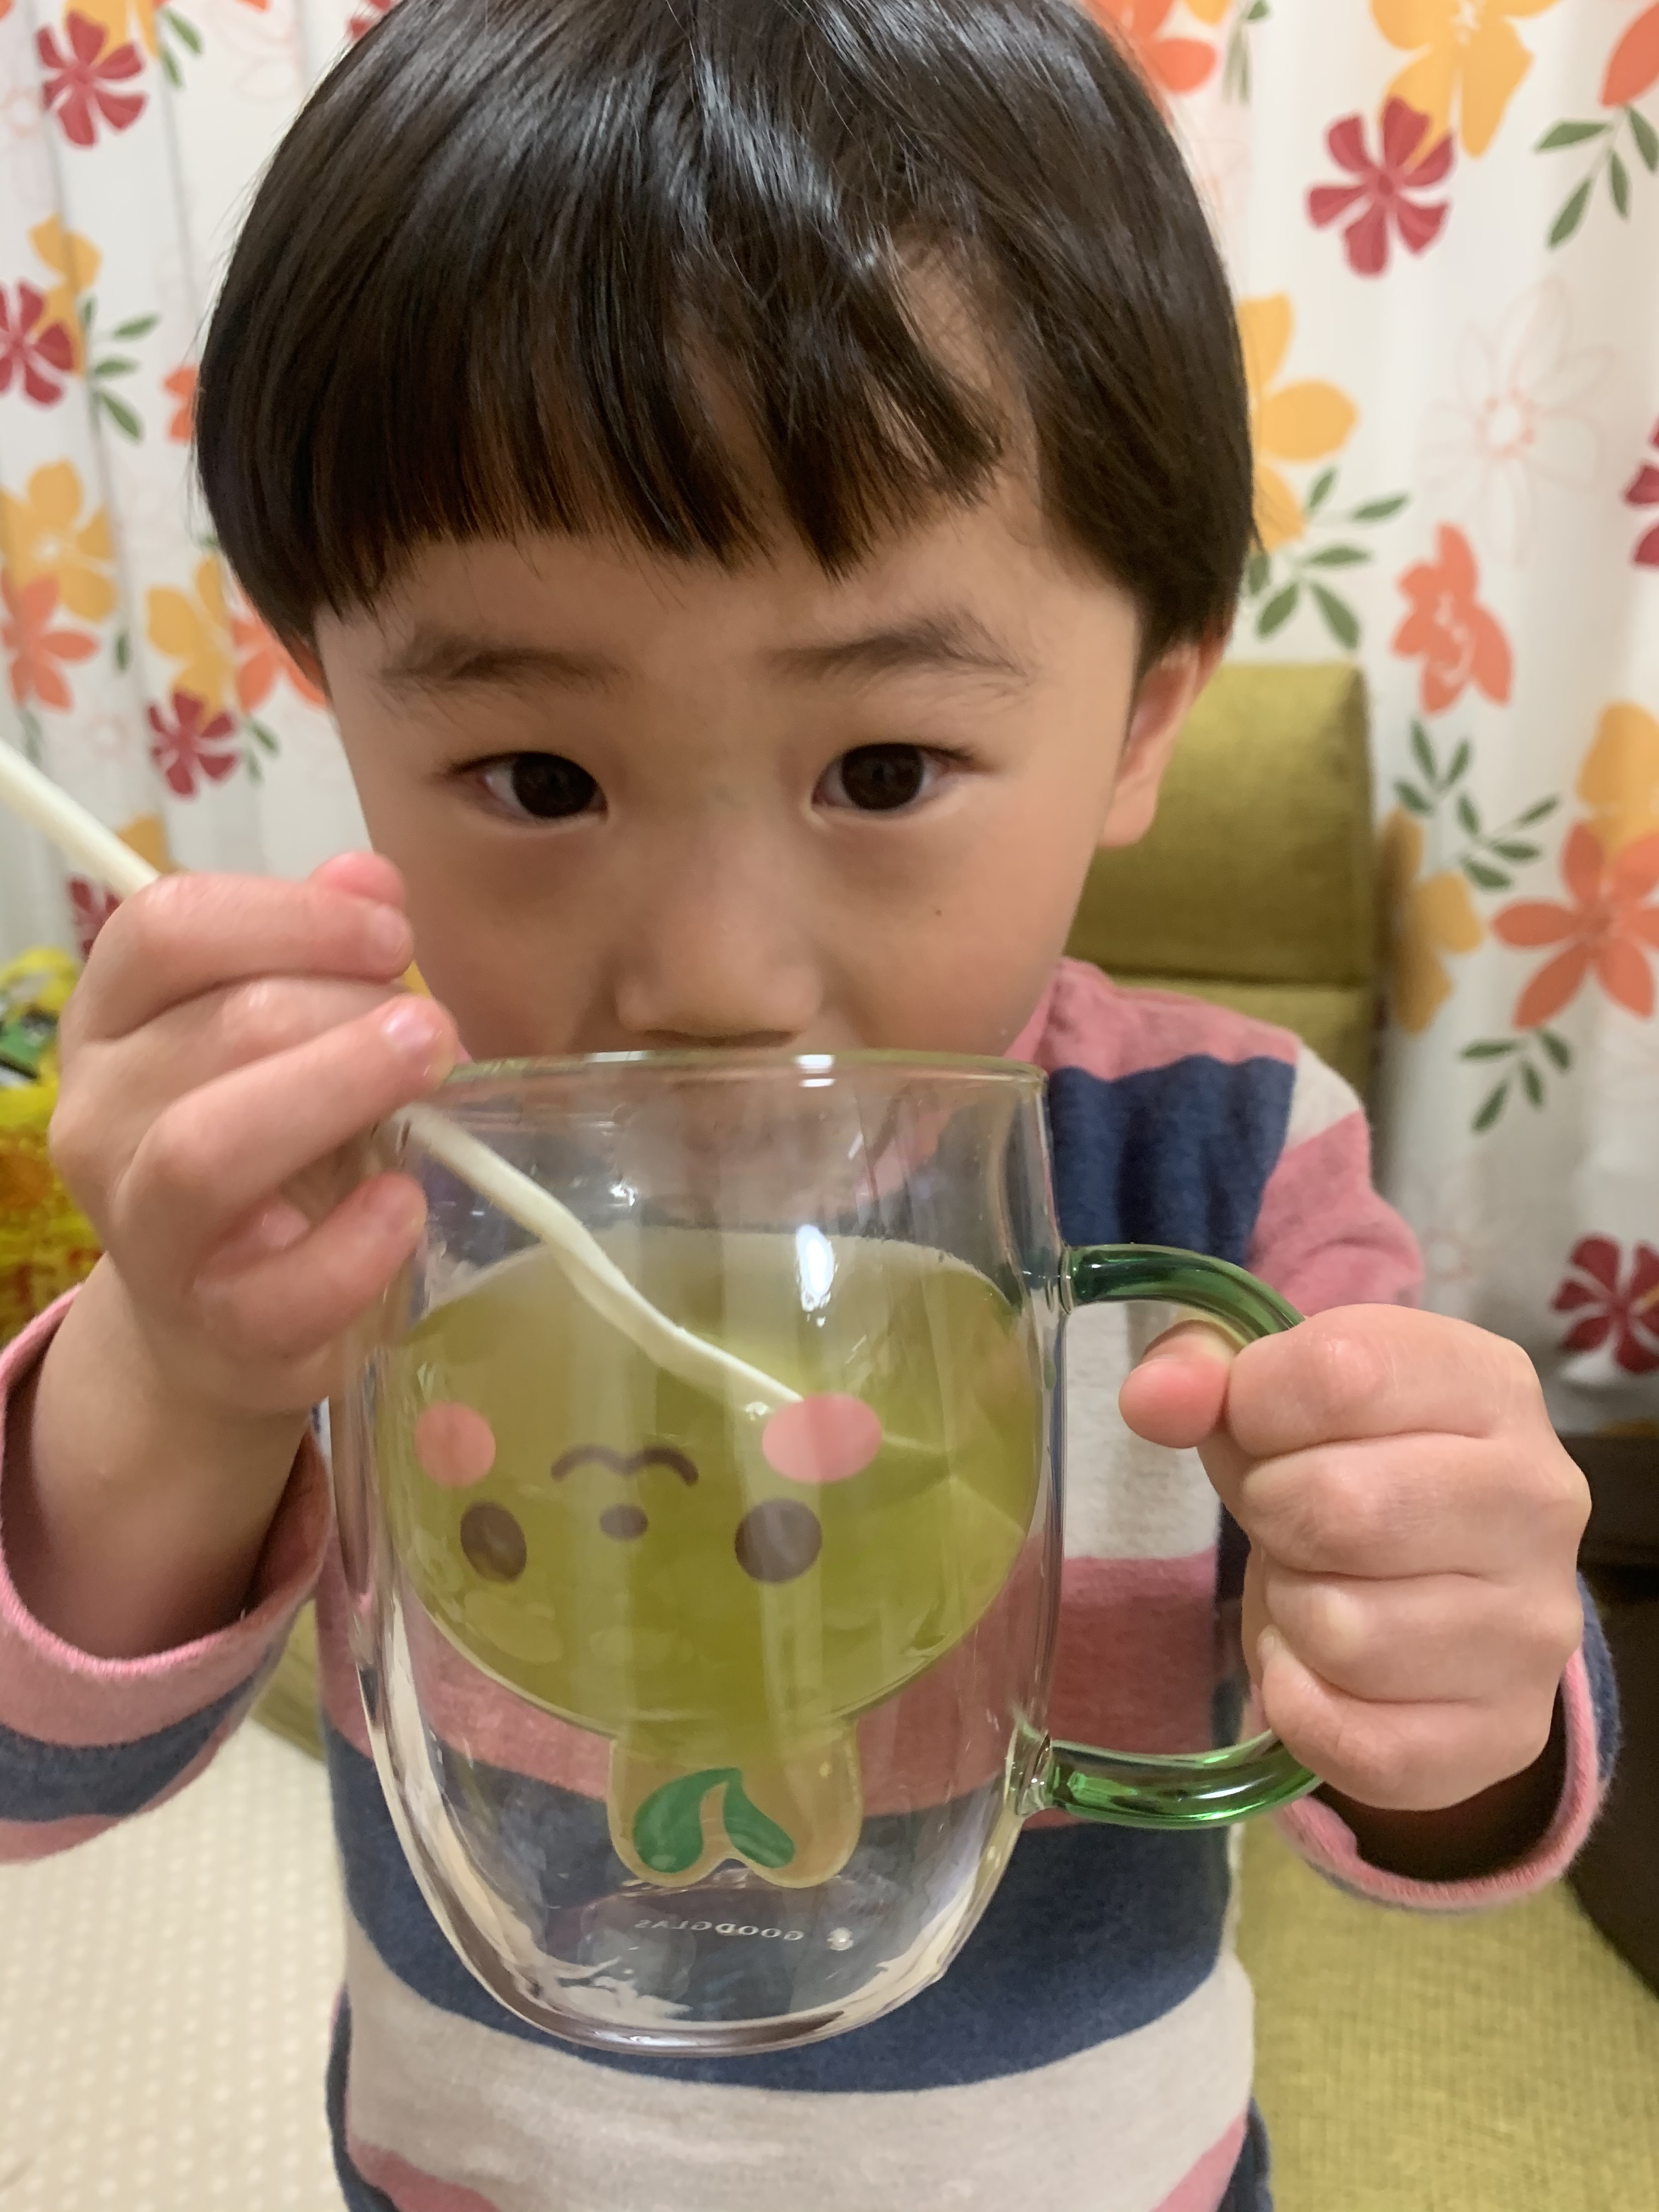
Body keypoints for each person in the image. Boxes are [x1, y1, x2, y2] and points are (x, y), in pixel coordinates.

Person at [0, 2, 1611, 2207]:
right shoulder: (358, 1164)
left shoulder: (1224, 1152)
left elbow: (1448, 1791)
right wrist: (183, 1368)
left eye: (883, 768)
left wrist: (1455, 1672)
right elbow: (35, 1780)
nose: (714, 977)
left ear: (1144, 721)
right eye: (537, 777)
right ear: (333, 701)